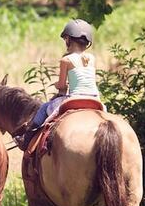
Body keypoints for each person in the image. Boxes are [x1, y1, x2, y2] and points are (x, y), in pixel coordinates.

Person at [16, 18, 100, 150]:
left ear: (68, 40)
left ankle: (26, 139)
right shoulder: (92, 58)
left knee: (44, 108)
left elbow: (61, 86)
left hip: (75, 98)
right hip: (95, 99)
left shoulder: (66, 60)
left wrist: (58, 85)